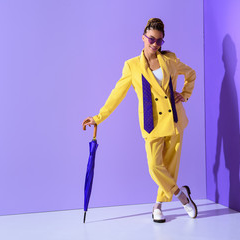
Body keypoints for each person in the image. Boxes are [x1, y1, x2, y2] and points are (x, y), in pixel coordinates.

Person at [82, 18, 197, 223]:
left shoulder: (170, 60)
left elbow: (191, 74)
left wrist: (185, 95)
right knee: (155, 166)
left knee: (169, 168)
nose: (155, 44)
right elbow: (117, 93)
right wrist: (99, 117)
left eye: (159, 41)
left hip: (174, 120)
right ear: (143, 38)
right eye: (151, 39)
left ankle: (158, 206)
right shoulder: (132, 66)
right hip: (151, 124)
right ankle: (182, 196)